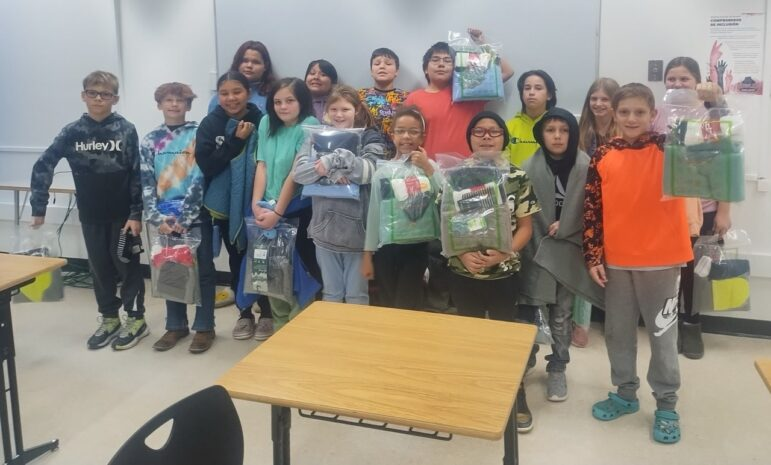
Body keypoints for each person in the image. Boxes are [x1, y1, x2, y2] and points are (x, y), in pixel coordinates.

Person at [583, 83, 692, 444]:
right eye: (625, 111)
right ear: (614, 113)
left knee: (662, 336)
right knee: (618, 333)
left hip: (662, 261)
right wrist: (593, 254)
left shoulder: (670, 148)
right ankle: (625, 393)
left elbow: (710, 143)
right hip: (616, 261)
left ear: (652, 115)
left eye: (640, 112)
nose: (632, 118)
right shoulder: (602, 154)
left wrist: (713, 102)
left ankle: (666, 404)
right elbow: (592, 210)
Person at [29, 70, 147, 350]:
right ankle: (109, 317)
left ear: (114, 98)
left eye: (105, 94)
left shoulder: (125, 129)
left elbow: (136, 173)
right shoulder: (72, 132)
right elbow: (43, 164)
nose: (98, 98)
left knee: (127, 267)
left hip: (122, 217)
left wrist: (135, 213)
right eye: (92, 93)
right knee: (99, 268)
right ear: (83, 96)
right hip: (90, 214)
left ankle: (136, 318)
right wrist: (39, 207)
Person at [444, 110, 540, 432]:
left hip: (505, 272)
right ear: (469, 137)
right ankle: (473, 393)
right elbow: (443, 223)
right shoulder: (454, 175)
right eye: (480, 131)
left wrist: (505, 251)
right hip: (463, 270)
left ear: (504, 137)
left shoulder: (516, 176)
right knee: (469, 336)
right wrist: (461, 251)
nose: (487, 137)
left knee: (504, 336)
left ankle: (515, 393)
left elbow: (526, 226)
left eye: (494, 132)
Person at [519, 107, 603, 402]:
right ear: (541, 134)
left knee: (562, 313)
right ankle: (525, 359)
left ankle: (558, 366)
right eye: (550, 130)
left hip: (569, 248)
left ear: (573, 133)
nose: (557, 136)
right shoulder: (528, 166)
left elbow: (593, 207)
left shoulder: (585, 165)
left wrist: (568, 224)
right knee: (530, 309)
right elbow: (521, 210)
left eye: (564, 130)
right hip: (536, 246)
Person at [140, 82, 217, 353]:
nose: (174, 105)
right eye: (168, 100)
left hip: (195, 216)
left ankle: (205, 327)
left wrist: (186, 216)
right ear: (159, 104)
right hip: (163, 219)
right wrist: (155, 216)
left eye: (180, 100)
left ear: (188, 105)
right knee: (171, 270)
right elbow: (145, 179)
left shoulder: (198, 135)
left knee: (203, 272)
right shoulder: (150, 140)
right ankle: (176, 326)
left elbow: (200, 176)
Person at [663, 56, 731, 360]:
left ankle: (691, 327)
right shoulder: (658, 115)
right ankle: (667, 323)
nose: (678, 85)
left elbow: (726, 167)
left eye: (684, 79)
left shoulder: (712, 116)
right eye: (672, 79)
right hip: (667, 209)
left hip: (703, 209)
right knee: (668, 271)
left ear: (698, 82)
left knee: (696, 273)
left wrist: (723, 211)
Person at [294, 85, 385, 304]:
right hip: (324, 232)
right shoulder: (315, 138)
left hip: (358, 234)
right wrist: (334, 173)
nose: (339, 114)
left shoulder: (369, 139)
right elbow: (300, 174)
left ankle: (355, 338)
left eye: (345, 109)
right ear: (326, 111)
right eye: (333, 109)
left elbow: (371, 172)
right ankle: (332, 337)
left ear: (356, 110)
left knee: (357, 295)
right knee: (331, 294)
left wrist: (332, 161)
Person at [196, 71, 268, 345]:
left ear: (247, 93)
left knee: (263, 258)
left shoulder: (262, 120)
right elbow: (208, 165)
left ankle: (268, 312)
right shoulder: (211, 123)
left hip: (260, 202)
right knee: (238, 258)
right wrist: (235, 141)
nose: (230, 98)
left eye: (236, 91)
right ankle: (245, 313)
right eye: (224, 93)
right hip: (227, 207)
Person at [252, 77, 320, 330]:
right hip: (267, 211)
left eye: (289, 101)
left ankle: (300, 330)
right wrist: (256, 204)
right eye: (277, 101)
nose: (283, 107)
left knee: (299, 274)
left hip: (296, 211)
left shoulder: (310, 125)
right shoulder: (266, 122)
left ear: (302, 101)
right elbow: (262, 164)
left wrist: (278, 211)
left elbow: (295, 174)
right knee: (272, 273)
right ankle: (280, 327)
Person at [361, 106, 442, 310]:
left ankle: (407, 339)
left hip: (419, 246)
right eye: (401, 131)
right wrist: (367, 255)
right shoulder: (383, 171)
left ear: (422, 137)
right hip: (386, 250)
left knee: (408, 301)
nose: (407, 136)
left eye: (413, 132)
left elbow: (446, 198)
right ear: (392, 134)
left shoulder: (429, 166)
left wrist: (428, 168)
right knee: (388, 301)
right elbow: (374, 215)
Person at [405, 29, 515, 158]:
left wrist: (482, 44)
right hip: (429, 168)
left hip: (469, 168)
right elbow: (406, 137)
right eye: (435, 60)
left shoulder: (469, 90)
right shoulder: (414, 98)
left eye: (447, 61)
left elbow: (508, 71)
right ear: (425, 69)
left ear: (455, 68)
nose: (441, 64)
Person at [573, 77, 619, 348]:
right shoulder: (581, 132)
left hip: (617, 208)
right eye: (594, 98)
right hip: (588, 205)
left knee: (616, 268)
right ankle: (581, 325)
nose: (599, 104)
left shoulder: (624, 132)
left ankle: (616, 323)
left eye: (605, 99)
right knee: (587, 263)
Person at [358, 48, 408, 158]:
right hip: (365, 155)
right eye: (377, 63)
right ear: (371, 71)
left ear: (397, 71)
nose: (382, 66)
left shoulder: (406, 98)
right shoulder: (359, 96)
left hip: (397, 158)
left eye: (388, 63)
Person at [207, 41, 276, 115]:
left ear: (265, 66)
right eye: (245, 61)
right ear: (237, 63)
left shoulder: (274, 96)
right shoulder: (219, 98)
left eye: (256, 62)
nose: (249, 65)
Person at [506, 69, 557, 166]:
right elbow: (503, 162)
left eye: (538, 88)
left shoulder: (557, 126)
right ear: (522, 94)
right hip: (516, 180)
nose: (531, 92)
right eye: (527, 88)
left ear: (549, 95)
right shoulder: (509, 126)